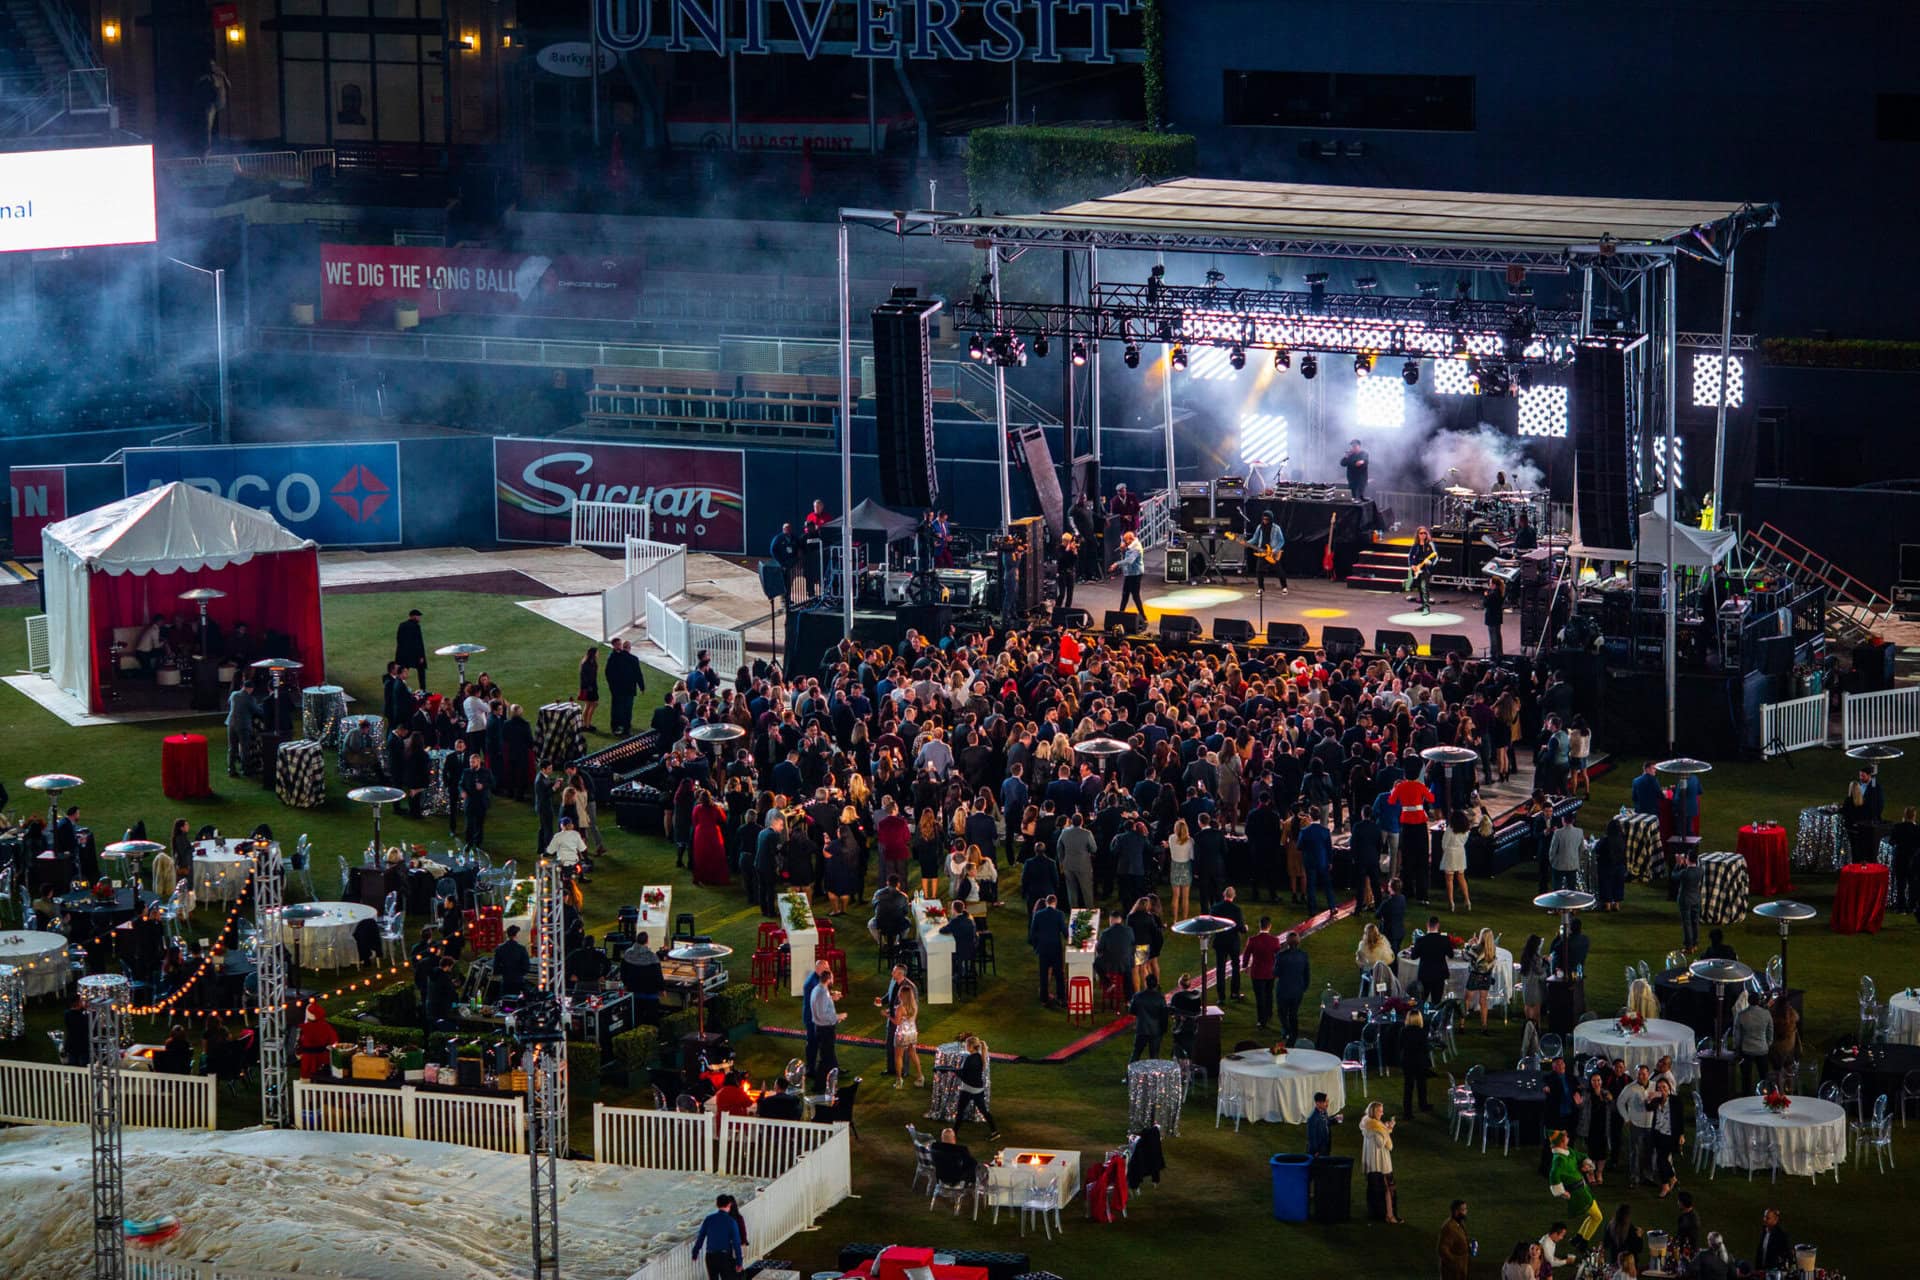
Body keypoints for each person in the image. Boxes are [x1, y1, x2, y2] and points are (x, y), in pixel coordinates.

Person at [943, 1034, 997, 1138]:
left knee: (960, 1111)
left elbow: (964, 1074)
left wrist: (952, 1070)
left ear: (971, 1047)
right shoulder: (980, 1057)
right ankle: (995, 1131)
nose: (966, 1047)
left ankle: (954, 1132)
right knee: (984, 1111)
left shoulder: (970, 1059)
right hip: (978, 1089)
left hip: (967, 1089)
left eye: (967, 1045)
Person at [803, 958, 845, 1086]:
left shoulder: (816, 982)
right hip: (815, 1020)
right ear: (819, 969)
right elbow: (819, 1001)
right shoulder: (813, 983)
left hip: (816, 1018)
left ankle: (834, 1069)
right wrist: (836, 1017)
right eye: (826, 968)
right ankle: (812, 1070)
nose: (828, 970)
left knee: (825, 1048)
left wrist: (831, 996)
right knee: (815, 1045)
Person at [1242, 917, 1283, 1032]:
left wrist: (1245, 966)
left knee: (1260, 997)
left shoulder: (1252, 940)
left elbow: (1246, 954)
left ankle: (1261, 1020)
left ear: (1260, 926)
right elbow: (1278, 956)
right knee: (1269, 994)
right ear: (1269, 926)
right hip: (1270, 973)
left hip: (1257, 973)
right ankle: (1269, 1013)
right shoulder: (1275, 941)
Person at [1362, 1101, 1401, 1223]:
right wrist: (1386, 1130)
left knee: (1378, 1190)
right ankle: (1389, 1216)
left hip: (1374, 1163)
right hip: (1380, 1163)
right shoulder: (1375, 1127)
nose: (1382, 1113)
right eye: (1380, 1111)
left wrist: (1386, 1129)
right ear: (1374, 1112)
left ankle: (1381, 1215)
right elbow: (1381, 1143)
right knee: (1388, 1190)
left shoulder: (1369, 1124)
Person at [690, 1194, 744, 1280]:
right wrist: (739, 1262)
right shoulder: (731, 1222)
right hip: (725, 1257)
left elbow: (701, 1237)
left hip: (710, 1257)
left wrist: (695, 1253)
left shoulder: (709, 1219)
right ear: (729, 1204)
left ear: (717, 1204)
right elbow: (736, 1243)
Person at [1029, 893, 1068, 1008]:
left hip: (1043, 948)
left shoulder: (1038, 915)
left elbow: (1032, 933)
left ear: (1046, 902)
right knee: (1059, 973)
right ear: (1055, 903)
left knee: (1044, 973)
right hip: (1055, 947)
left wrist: (1037, 946)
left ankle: (1044, 998)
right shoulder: (1059, 914)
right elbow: (1064, 932)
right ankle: (1061, 998)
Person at [605, 639, 646, 738]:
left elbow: (608, 673)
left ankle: (615, 727)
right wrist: (642, 687)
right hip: (629, 689)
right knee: (627, 709)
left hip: (617, 690)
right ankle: (626, 729)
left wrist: (612, 686)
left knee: (616, 708)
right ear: (630, 648)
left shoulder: (614, 657)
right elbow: (638, 674)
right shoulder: (633, 659)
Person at [1735, 991, 1774, 1094]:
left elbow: (1737, 1035)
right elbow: (1770, 1031)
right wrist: (1768, 1043)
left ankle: (1746, 1095)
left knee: (1746, 1077)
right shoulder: (1766, 1014)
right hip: (1762, 1048)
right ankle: (1765, 1095)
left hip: (1747, 1049)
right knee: (1764, 1075)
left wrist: (1738, 1047)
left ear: (1748, 1001)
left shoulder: (1741, 1015)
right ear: (1759, 1001)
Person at [1410, 916, 1454, 1004]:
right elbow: (1451, 955)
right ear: (1438, 925)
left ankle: (1421, 1016)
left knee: (1421, 1000)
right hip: (1439, 975)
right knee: (1436, 1002)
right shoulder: (1445, 939)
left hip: (1425, 974)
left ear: (1427, 925)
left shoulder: (1421, 940)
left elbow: (1413, 956)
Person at [891, 974, 925, 1087]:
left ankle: (899, 1080)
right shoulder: (914, 1005)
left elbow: (897, 1022)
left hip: (902, 1034)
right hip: (912, 1032)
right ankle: (920, 1076)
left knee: (898, 1056)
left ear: (902, 995)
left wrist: (887, 1015)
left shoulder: (901, 1008)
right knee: (913, 1053)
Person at [1246, 509, 1288, 594]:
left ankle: (1284, 587)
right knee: (1259, 571)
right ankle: (1261, 588)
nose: (1265, 521)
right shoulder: (1260, 527)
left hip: (1272, 552)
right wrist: (1246, 543)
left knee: (1279, 570)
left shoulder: (1276, 528)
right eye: (1264, 519)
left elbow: (1281, 541)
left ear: (1271, 519)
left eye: (1267, 519)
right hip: (1262, 551)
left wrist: (1275, 550)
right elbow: (1255, 538)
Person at [1439, 808, 1473, 913]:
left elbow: (1444, 843)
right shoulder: (1466, 830)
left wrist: (1445, 851)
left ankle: (1451, 902)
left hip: (1450, 853)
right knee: (1461, 877)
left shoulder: (1450, 829)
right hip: (1460, 853)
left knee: (1449, 879)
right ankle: (1467, 900)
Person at [1400, 1009, 1433, 1113]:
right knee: (1422, 1085)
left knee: (1408, 1087)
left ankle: (1407, 1111)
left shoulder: (1403, 1031)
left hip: (1407, 1061)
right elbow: (1425, 1048)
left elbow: (1400, 1045)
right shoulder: (1422, 1032)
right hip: (1419, 1062)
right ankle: (1423, 1105)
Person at [1129, 974, 1168, 1061]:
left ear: (1146, 983)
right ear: (1156, 984)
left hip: (1142, 1029)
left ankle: (1130, 1074)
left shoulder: (1138, 996)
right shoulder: (1160, 998)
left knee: (1136, 1053)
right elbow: (1164, 1015)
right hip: (1156, 1031)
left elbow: (1132, 1011)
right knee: (1154, 1056)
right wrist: (1164, 1030)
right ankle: (1153, 1074)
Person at [225, 678, 259, 777]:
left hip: (231, 724)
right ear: (251, 689)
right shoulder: (250, 699)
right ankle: (246, 770)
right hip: (243, 725)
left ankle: (231, 770)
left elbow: (230, 703)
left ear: (242, 687)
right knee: (244, 748)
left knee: (232, 748)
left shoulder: (234, 694)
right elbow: (257, 711)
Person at [295, 1002, 338, 1081]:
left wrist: (298, 1053)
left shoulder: (303, 1027)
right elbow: (334, 1041)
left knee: (306, 1077)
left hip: (308, 1058)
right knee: (323, 1077)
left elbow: (298, 1043)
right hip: (323, 1057)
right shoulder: (326, 1026)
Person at [1109, 530, 1147, 620]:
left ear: (1130, 539)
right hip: (1130, 574)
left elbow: (1129, 561)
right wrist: (1123, 550)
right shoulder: (1131, 546)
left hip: (1135, 574)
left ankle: (1143, 616)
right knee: (1125, 594)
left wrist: (1116, 564)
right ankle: (1121, 613)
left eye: (1125, 541)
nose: (1124, 543)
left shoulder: (1136, 548)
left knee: (1135, 596)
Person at [460, 751, 493, 851]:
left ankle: (478, 844)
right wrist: (462, 791)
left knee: (479, 824)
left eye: (473, 762)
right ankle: (468, 843)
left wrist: (483, 786)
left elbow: (493, 783)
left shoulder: (486, 772)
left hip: (481, 802)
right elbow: (461, 784)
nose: (471, 764)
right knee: (469, 824)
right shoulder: (466, 772)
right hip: (470, 802)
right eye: (470, 762)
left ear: (479, 762)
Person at [1673, 852, 1702, 953]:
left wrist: (1678, 864)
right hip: (1696, 899)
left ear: (1688, 859)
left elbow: (1674, 876)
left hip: (1685, 900)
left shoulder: (1685, 873)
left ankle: (1689, 946)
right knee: (1695, 922)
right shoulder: (1700, 870)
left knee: (1687, 924)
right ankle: (1695, 944)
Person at [1601, 1204, 1642, 1275]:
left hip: (1614, 1263)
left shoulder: (1609, 1226)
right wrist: (1639, 1237)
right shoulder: (1631, 1229)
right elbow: (1638, 1249)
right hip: (1629, 1266)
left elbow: (1605, 1244)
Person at [493, 924, 531, 998]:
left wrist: (504, 971)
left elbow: (496, 967)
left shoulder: (500, 949)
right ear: (516, 935)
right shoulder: (521, 949)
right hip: (518, 980)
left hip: (506, 980)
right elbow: (526, 966)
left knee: (506, 1002)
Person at [1407, 526, 1438, 615]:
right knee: (1420, 588)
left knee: (1424, 588)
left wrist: (1430, 562)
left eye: (1425, 533)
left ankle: (1426, 608)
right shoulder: (1415, 546)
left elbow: (1436, 556)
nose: (1423, 535)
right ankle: (1422, 605)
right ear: (1418, 535)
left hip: (1426, 569)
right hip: (1417, 569)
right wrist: (1412, 565)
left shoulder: (1430, 544)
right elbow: (1410, 557)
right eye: (1421, 533)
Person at [1437, 1199, 1470, 1279]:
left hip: (1459, 1272)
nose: (1466, 1212)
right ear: (1456, 1211)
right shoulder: (1450, 1228)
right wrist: (1456, 1263)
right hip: (1452, 1274)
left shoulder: (1459, 1224)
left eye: (1466, 1209)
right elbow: (1442, 1249)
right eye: (1463, 1210)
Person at [394, 609, 427, 690]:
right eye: (418, 616)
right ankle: (423, 689)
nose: (419, 618)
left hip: (403, 654)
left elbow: (399, 639)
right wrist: (421, 656)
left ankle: (398, 687)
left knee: (402, 671)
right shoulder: (416, 626)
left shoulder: (402, 625)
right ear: (413, 616)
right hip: (415, 654)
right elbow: (418, 642)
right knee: (421, 671)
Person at [577, 646, 601, 732]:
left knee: (588, 705)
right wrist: (588, 687)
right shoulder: (586, 664)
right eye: (597, 652)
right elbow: (584, 678)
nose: (598, 654)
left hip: (592, 686)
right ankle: (587, 724)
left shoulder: (592, 662)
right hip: (589, 688)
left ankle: (585, 724)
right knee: (593, 704)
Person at [1054, 530, 1079, 610]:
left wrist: (1074, 553)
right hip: (1062, 573)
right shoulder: (1059, 549)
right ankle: (1057, 609)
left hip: (1070, 572)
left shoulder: (1071, 549)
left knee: (1070, 594)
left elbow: (1073, 562)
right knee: (1062, 593)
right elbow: (1061, 560)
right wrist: (1067, 551)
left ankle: (1067, 609)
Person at [1306, 1091, 1336, 1157]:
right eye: (1325, 1102)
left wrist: (1336, 1119)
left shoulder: (1324, 1111)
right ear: (1318, 1103)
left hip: (1325, 1147)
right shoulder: (1313, 1119)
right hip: (1318, 1151)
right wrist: (1315, 1151)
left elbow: (1326, 1122)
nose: (1327, 1104)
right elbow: (1312, 1137)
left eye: (1328, 1101)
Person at [1484, 576, 1506, 660]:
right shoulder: (1500, 592)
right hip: (1497, 616)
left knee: (1493, 636)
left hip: (1492, 617)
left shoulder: (1493, 594)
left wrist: (1486, 596)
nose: (1489, 585)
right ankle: (1499, 652)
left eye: (1490, 583)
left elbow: (1486, 604)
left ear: (1493, 584)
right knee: (1497, 635)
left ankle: (1494, 654)